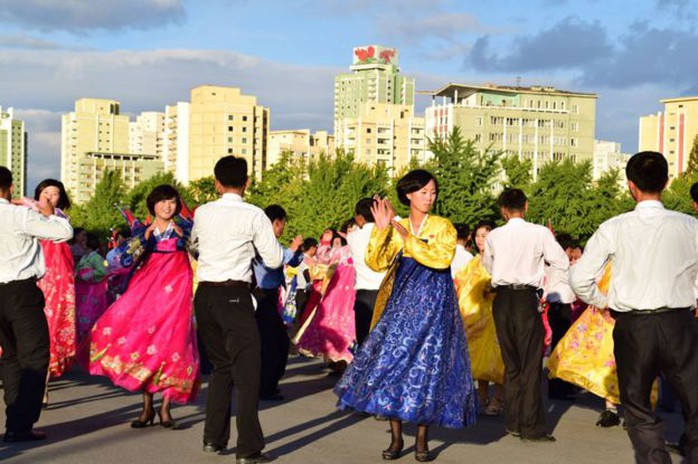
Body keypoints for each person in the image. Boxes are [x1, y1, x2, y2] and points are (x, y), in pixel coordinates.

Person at [335, 170, 477, 462]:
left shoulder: (443, 226)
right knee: (391, 364)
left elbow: (440, 259)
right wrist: (383, 229)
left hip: (436, 306)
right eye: (424, 192)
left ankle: (422, 438)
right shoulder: (396, 225)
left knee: (428, 367)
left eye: (433, 192)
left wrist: (405, 237)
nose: (430, 197)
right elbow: (377, 261)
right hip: (401, 305)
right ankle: (397, 437)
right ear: (409, 194)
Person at [570, 151, 698, 463]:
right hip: (680, 323)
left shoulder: (614, 227)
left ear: (630, 186)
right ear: (666, 183)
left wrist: (605, 302)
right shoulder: (690, 226)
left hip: (634, 326)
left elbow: (580, 277)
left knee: (638, 408)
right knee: (695, 404)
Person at [191, 155, 283, 464]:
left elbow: (195, 245)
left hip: (204, 295)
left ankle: (213, 439)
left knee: (221, 367)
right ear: (246, 183)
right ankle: (248, 449)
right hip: (234, 295)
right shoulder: (255, 215)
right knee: (247, 373)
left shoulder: (202, 212)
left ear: (216, 183)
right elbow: (273, 260)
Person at [88, 185, 200, 429]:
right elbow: (123, 259)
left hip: (177, 290)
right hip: (148, 291)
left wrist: (185, 238)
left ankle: (166, 408)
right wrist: (143, 238)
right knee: (145, 344)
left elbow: (201, 253)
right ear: (153, 205)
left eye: (171, 201)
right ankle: (147, 406)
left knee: (175, 345)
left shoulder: (187, 228)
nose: (167, 206)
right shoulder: (142, 230)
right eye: (162, 202)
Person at [482, 188, 569, 443]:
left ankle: (513, 421)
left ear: (503, 211)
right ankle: (531, 427)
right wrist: (546, 286)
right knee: (531, 365)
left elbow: (488, 266)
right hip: (525, 300)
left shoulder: (494, 235)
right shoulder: (539, 232)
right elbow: (561, 261)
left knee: (511, 363)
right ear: (526, 206)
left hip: (502, 300)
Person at [0, 166, 73, 442]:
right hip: (20, 292)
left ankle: (14, 417)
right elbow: (64, 232)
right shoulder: (20, 214)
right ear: (10, 186)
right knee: (34, 357)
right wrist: (47, 212)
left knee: (9, 355)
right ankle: (20, 422)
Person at [30, 180, 77, 401]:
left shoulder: (61, 219)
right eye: (45, 192)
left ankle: (43, 385)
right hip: (32, 275)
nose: (49, 196)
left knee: (51, 327)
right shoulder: (27, 213)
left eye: (55, 193)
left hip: (56, 278)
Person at [252, 204, 303, 401]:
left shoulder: (271, 244)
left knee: (275, 343)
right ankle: (265, 386)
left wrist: (297, 251)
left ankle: (267, 384)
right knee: (273, 344)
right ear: (275, 223)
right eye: (282, 224)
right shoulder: (263, 244)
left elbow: (292, 261)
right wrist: (291, 249)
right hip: (262, 296)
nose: (283, 229)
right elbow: (274, 260)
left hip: (269, 297)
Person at [454, 220, 504, 416]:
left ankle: (497, 399)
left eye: (485, 235)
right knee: (478, 359)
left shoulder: (500, 260)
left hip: (495, 313)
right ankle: (482, 397)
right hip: (475, 317)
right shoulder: (472, 261)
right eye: (478, 236)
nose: (480, 239)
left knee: (498, 358)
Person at [294, 229, 356, 373]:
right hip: (337, 294)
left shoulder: (364, 246)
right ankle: (336, 361)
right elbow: (326, 264)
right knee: (332, 324)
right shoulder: (340, 251)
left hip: (353, 290)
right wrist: (325, 245)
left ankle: (346, 361)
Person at [346, 198, 385, 347]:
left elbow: (355, 230)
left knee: (365, 341)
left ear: (360, 217)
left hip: (364, 294)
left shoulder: (352, 237)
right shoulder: (387, 233)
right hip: (386, 292)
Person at [545, 232, 577, 401]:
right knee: (560, 348)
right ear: (566, 250)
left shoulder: (552, 265)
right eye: (571, 250)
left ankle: (561, 385)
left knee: (560, 347)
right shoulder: (562, 266)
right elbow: (576, 281)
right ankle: (558, 387)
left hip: (557, 307)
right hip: (561, 308)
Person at [75, 233, 109, 344]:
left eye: (84, 241)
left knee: (90, 314)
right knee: (81, 313)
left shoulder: (96, 257)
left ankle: (91, 339)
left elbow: (103, 271)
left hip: (92, 291)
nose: (82, 243)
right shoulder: (86, 257)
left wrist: (88, 275)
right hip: (82, 289)